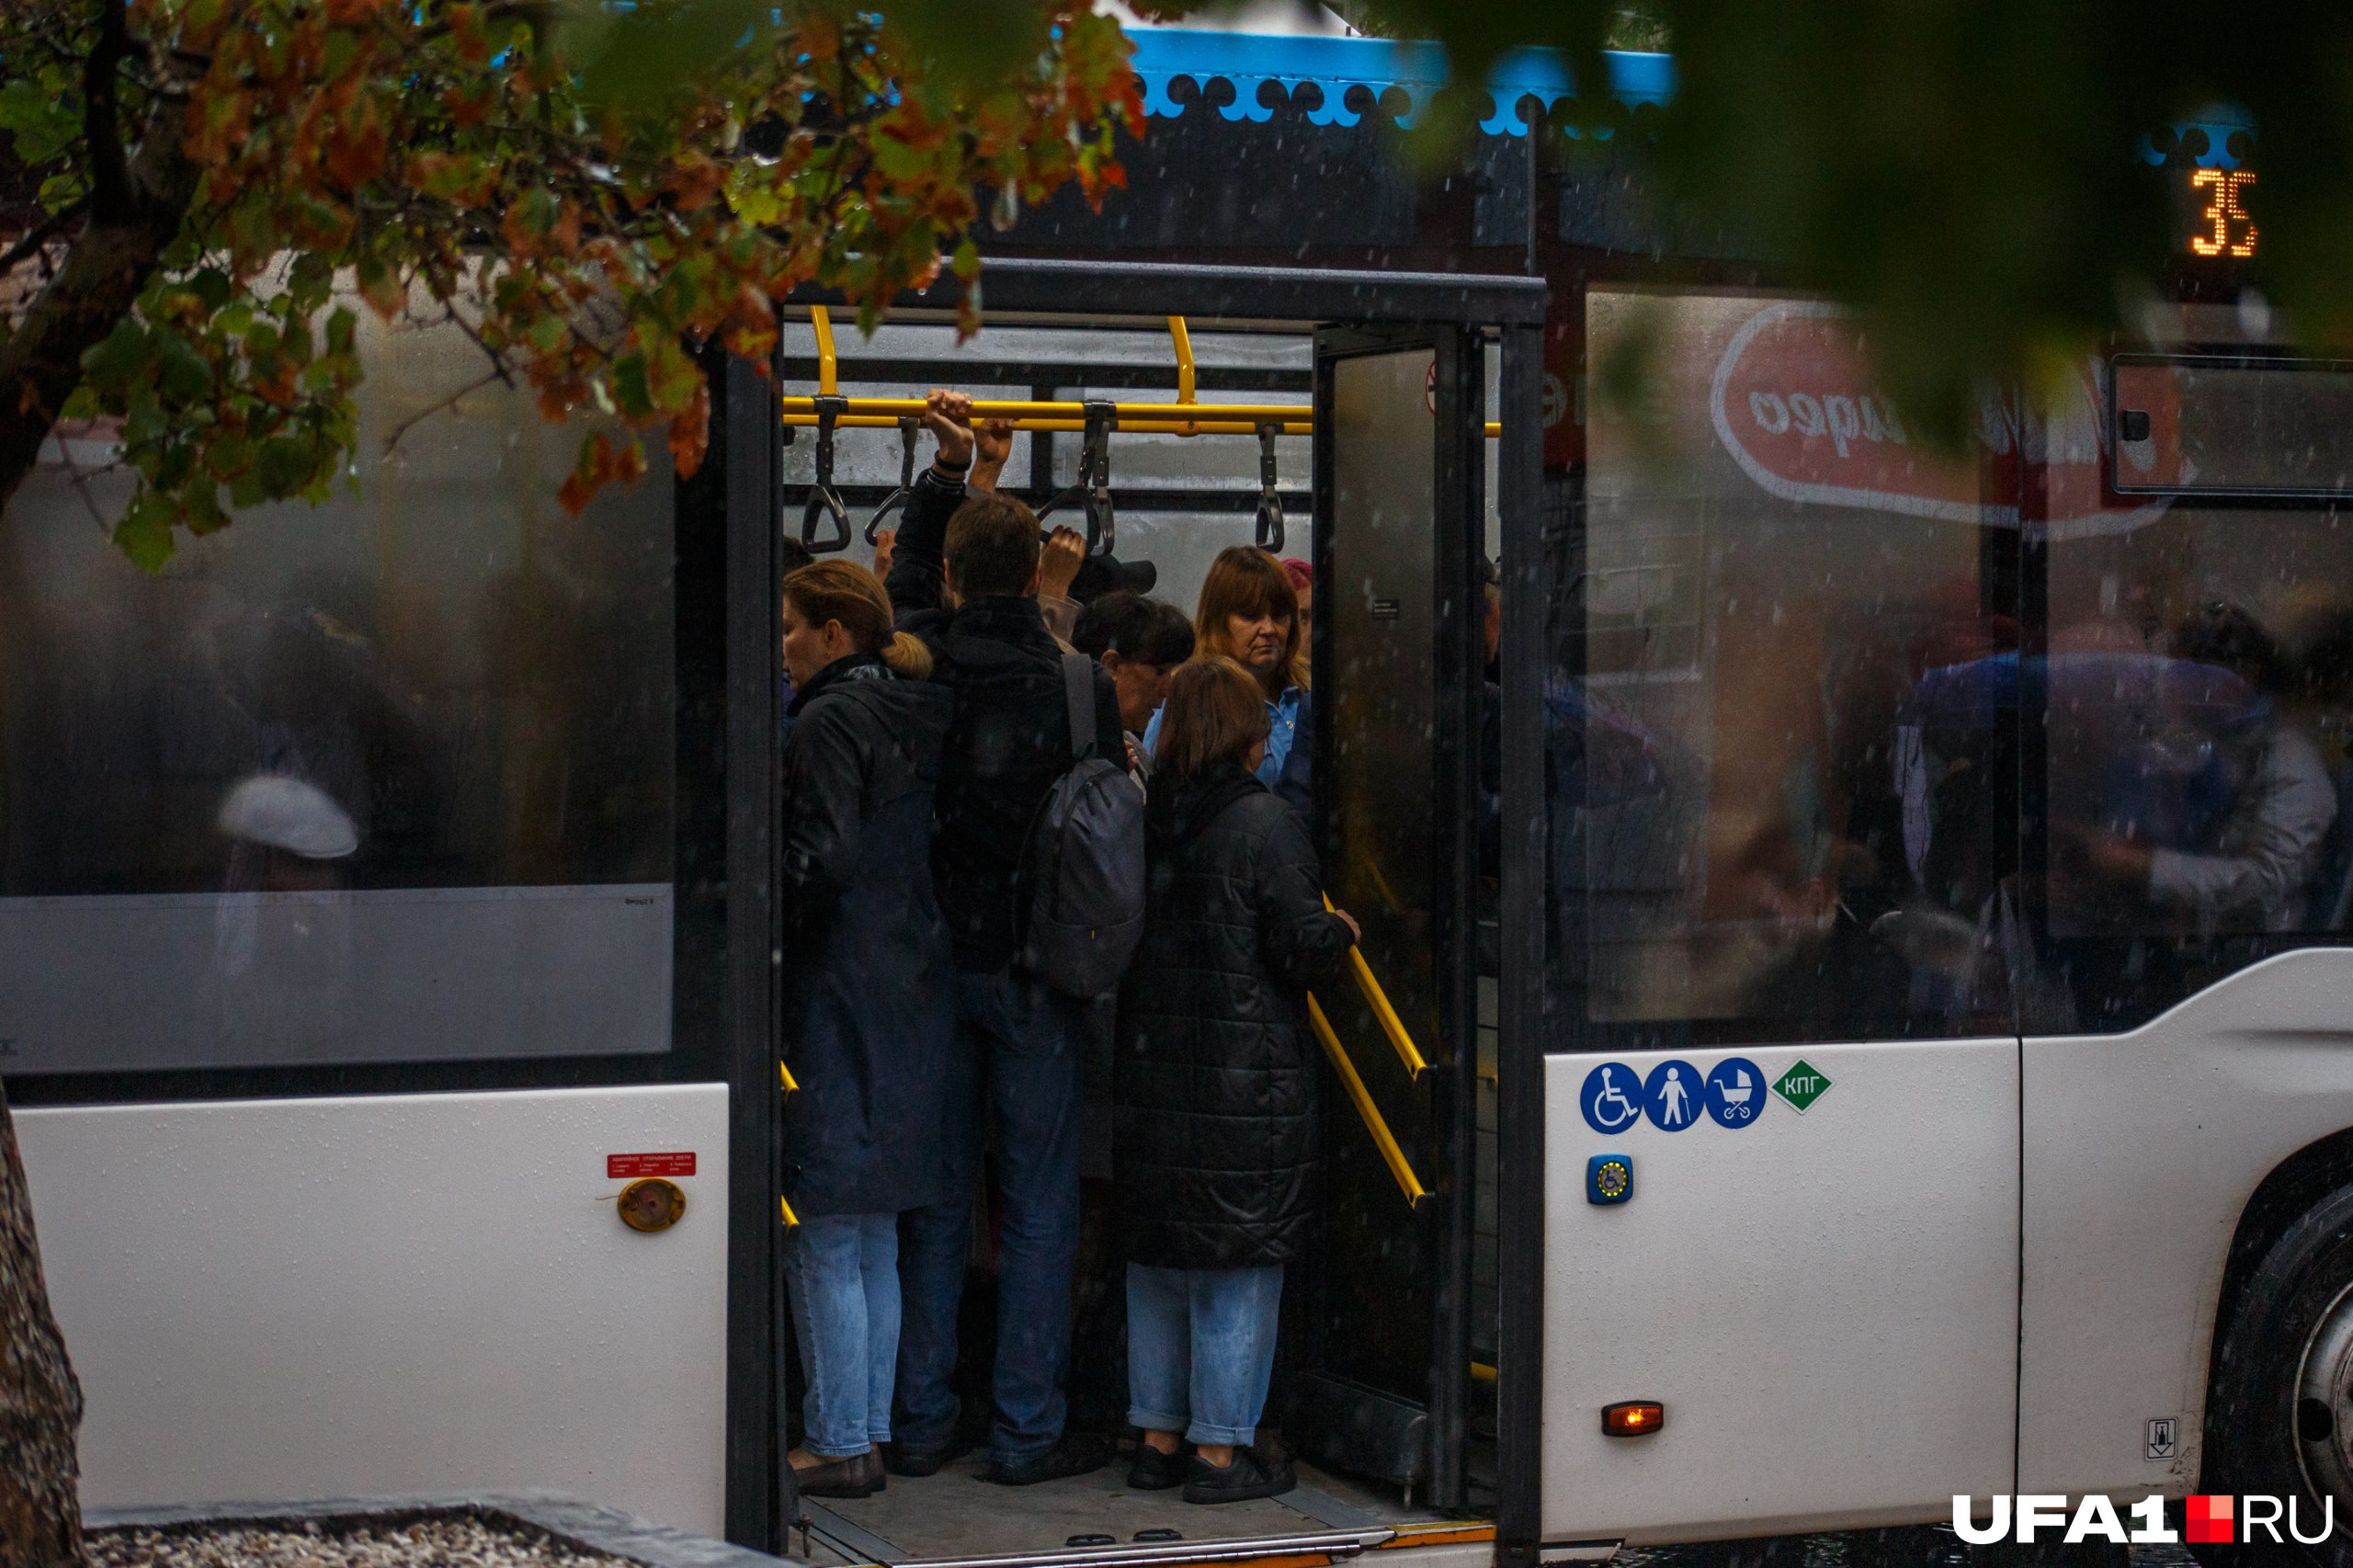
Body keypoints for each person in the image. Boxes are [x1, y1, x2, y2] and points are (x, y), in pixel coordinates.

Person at [882, 390, 1127, 1486]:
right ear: (1039, 577)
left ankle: (923, 1416)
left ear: (945, 576)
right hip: (1041, 968)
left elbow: (893, 599)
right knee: (1037, 1206)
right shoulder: (1079, 682)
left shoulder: (918, 660)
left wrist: (948, 480)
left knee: (936, 1197)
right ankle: (1026, 1426)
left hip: (932, 964)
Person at [1115, 656, 1358, 1504]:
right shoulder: (1265, 824)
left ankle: (1155, 1437)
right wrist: (1340, 930)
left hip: (1152, 1080)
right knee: (1237, 1267)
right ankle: (1221, 1452)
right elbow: (1297, 946)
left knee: (1160, 1262)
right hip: (1240, 1086)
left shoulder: (1144, 816)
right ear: (1246, 735)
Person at [776, 562, 959, 1499]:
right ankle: (869, 1423)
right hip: (911, 985)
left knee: (824, 1226)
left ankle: (839, 1438)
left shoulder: (823, 721)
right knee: (877, 1228)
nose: (785, 646)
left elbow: (820, 858)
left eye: (793, 628)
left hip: (837, 990)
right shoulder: (917, 714)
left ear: (836, 633)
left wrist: (764, 920)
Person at [1145, 547, 1313, 818]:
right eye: (1251, 615)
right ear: (1218, 620)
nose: (1269, 629)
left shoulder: (1312, 696)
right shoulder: (1185, 707)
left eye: (1279, 615)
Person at [1071, 592, 1196, 754]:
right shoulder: (1061, 753)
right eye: (1160, 672)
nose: (1167, 690)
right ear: (1112, 666)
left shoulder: (1131, 749)